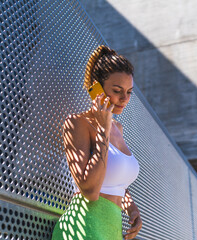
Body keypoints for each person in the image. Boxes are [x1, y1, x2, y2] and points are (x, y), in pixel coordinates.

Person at [51, 45, 142, 240]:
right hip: (82, 227)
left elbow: (113, 181)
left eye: (129, 92)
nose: (124, 99)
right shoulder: (76, 123)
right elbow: (90, 190)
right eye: (117, 90)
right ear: (96, 88)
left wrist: (131, 208)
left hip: (111, 228)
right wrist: (102, 129)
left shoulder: (118, 129)